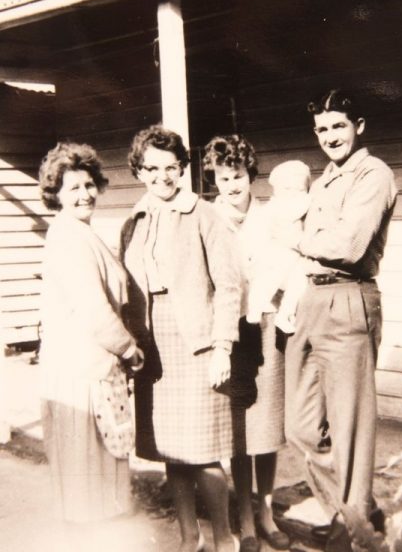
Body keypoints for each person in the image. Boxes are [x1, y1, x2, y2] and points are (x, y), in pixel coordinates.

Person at [283, 89, 397, 552]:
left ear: (359, 126)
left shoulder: (374, 173)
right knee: (300, 425)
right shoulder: (324, 181)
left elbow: (348, 245)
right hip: (313, 298)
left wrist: (296, 233)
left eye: (339, 126)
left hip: (349, 296)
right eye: (322, 129)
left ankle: (351, 530)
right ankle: (357, 511)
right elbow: (319, 239)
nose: (330, 136)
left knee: (349, 423)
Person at [120, 125, 241, 552]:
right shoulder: (132, 221)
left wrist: (222, 345)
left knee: (204, 449)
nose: (162, 177)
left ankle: (225, 539)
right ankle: (191, 538)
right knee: (172, 450)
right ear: (139, 171)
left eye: (171, 168)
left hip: (197, 341)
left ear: (183, 169)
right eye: (152, 168)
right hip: (153, 342)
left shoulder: (204, 214)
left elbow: (229, 285)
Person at [38, 142, 145, 546]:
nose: (84, 194)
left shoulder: (81, 233)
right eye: (72, 189)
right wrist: (129, 348)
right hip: (80, 373)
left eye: (88, 185)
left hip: (90, 368)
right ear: (57, 196)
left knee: (91, 477)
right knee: (86, 477)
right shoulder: (68, 237)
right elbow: (93, 308)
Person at [203, 135, 289, 552]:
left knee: (267, 423)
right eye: (223, 177)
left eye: (237, 175)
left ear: (250, 175)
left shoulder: (271, 216)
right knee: (239, 425)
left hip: (268, 322)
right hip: (232, 328)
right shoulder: (208, 217)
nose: (232, 185)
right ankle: (244, 516)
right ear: (214, 178)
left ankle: (267, 509)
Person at [245, 159, 312, 333]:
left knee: (299, 284)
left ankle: (285, 314)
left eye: (299, 189)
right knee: (267, 278)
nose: (293, 193)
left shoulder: (307, 205)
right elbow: (258, 232)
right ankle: (256, 306)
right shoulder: (271, 208)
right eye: (287, 189)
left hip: (297, 259)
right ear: (276, 190)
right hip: (275, 255)